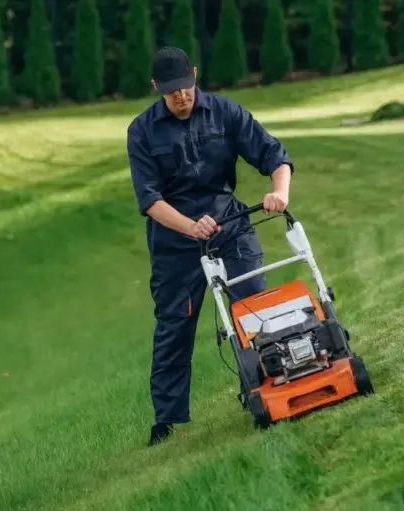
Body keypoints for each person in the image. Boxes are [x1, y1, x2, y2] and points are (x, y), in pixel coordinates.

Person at [126, 46, 295, 446]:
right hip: (175, 242)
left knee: (252, 308)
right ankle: (167, 422)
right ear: (156, 87)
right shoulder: (142, 131)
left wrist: (279, 192)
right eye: (171, 90)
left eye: (185, 86)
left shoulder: (224, 112)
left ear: (196, 75)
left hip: (229, 226)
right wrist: (190, 227)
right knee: (174, 326)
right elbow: (149, 200)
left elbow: (274, 154)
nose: (181, 95)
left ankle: (266, 387)